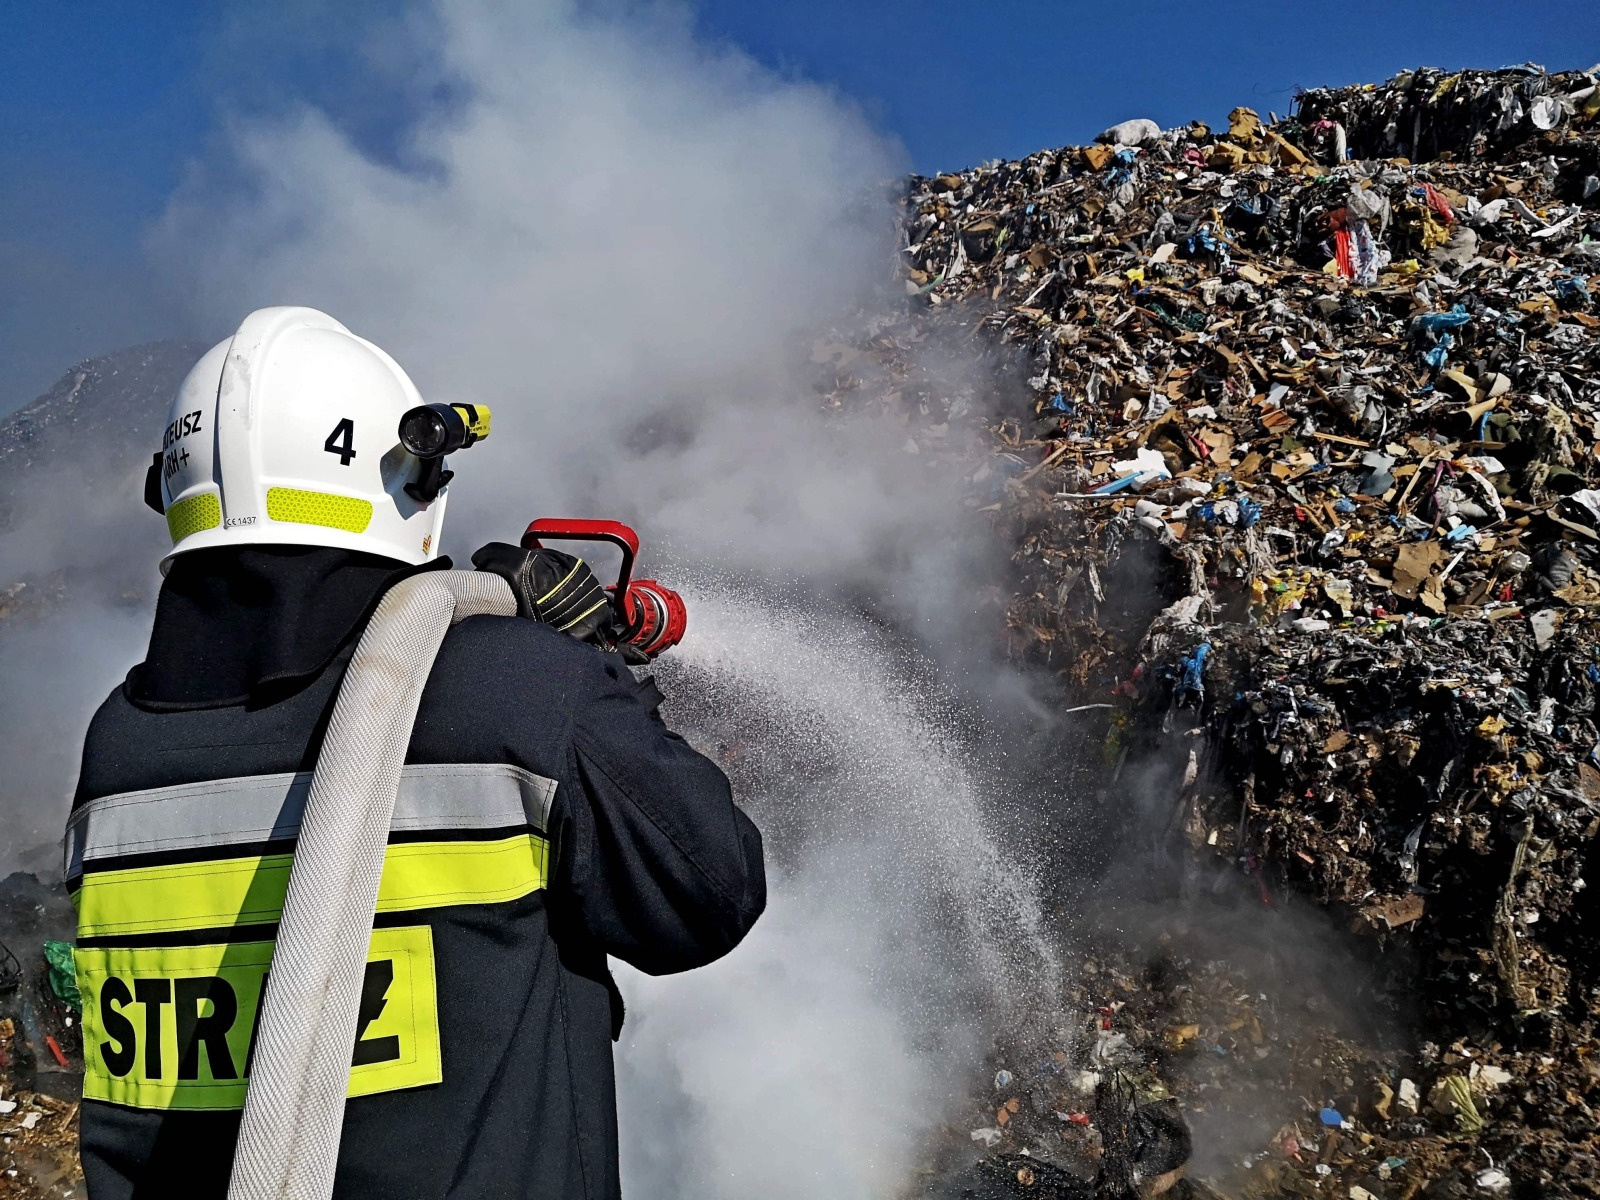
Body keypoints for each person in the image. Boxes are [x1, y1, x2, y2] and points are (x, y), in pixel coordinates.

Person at [65, 306, 766, 1198]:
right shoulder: (512, 692)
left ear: (175, 494)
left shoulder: (115, 748)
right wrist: (593, 671)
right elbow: (712, 893)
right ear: (410, 477)